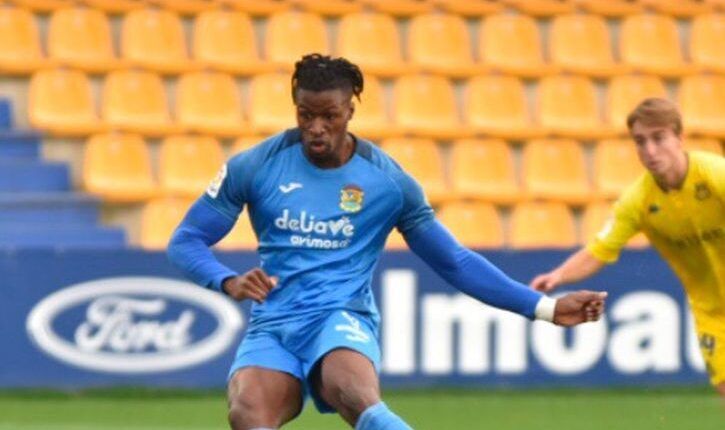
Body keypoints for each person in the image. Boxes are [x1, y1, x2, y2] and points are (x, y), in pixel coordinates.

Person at [168, 53, 607, 430]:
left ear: (351, 110)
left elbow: (453, 261)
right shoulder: (256, 166)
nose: (317, 128)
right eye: (306, 115)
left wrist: (544, 308)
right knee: (246, 414)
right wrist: (227, 281)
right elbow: (187, 240)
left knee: (354, 394)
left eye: (330, 116)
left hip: (339, 318)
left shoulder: (388, 184)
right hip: (275, 324)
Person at [530, 97, 725, 396]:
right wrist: (559, 276)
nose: (649, 151)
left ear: (679, 137)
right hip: (713, 314)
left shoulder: (714, 175)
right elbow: (600, 248)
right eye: (640, 141)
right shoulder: (639, 201)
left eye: (659, 138)